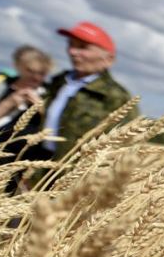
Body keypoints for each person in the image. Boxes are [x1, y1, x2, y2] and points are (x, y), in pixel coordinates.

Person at [42, 22, 135, 161]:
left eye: (82, 47)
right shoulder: (58, 81)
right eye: (71, 44)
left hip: (72, 175)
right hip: (37, 166)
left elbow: (124, 144)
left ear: (108, 59)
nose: (72, 51)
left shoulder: (116, 96)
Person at [0, 45, 53, 195]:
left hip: (23, 160)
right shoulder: (0, 86)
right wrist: (9, 102)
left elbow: (53, 125)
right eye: (30, 71)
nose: (36, 77)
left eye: (41, 73)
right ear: (18, 66)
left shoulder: (49, 92)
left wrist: (40, 107)